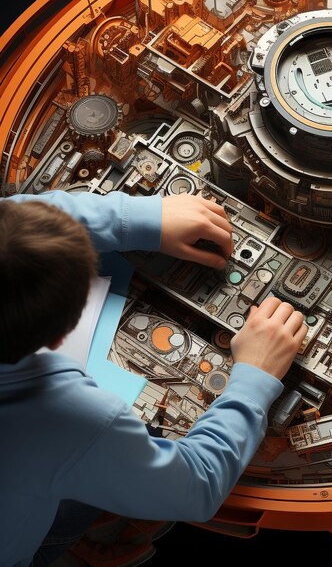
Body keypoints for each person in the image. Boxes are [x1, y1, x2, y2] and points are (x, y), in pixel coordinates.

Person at [0, 190, 307, 567]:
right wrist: (256, 376)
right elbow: (197, 486)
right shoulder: (66, 421)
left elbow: (10, 219)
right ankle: (87, 542)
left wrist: (137, 217)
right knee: (80, 490)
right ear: (59, 338)